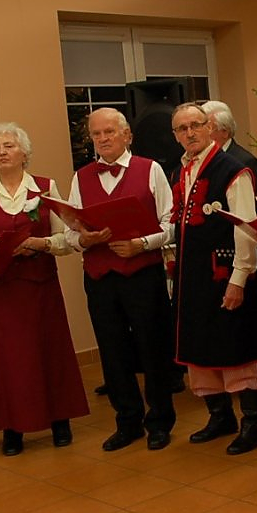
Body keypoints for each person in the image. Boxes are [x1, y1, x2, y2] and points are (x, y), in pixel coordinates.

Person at [0, 123, 88, 456]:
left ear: (24, 153)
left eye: (9, 146)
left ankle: (60, 420)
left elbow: (67, 238)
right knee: (6, 360)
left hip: (39, 287)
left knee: (49, 352)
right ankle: (11, 428)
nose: (2, 152)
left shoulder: (46, 188)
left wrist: (41, 244)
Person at [66, 108, 177, 452]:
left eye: (109, 132)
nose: (103, 139)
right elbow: (69, 232)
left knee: (152, 347)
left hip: (143, 273)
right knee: (112, 351)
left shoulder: (151, 169)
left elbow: (171, 224)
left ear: (127, 135)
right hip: (100, 276)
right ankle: (127, 421)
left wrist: (142, 243)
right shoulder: (81, 177)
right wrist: (84, 239)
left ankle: (159, 421)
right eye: (96, 134)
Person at [170, 102, 257, 455]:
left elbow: (245, 227)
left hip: (225, 273)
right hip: (194, 278)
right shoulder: (181, 170)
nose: (190, 133)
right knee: (202, 344)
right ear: (176, 135)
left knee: (237, 344)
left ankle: (253, 424)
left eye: (196, 125)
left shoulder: (232, 170)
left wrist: (239, 278)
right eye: (182, 128)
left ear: (209, 128)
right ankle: (220, 416)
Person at [203, 100, 257, 195]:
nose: (202, 134)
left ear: (225, 131)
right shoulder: (201, 159)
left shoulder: (245, 161)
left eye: (208, 128)